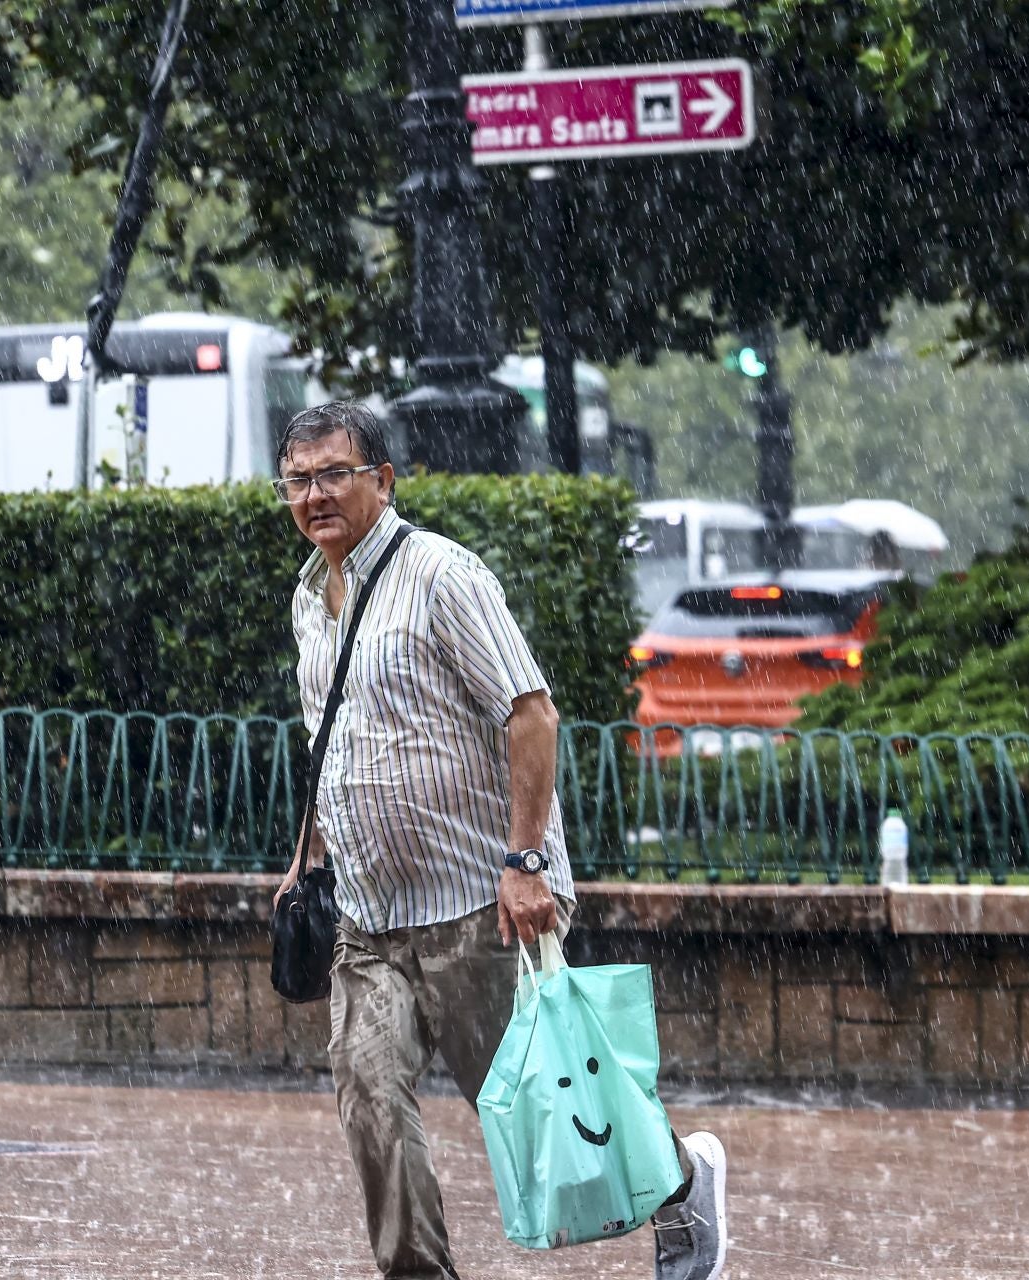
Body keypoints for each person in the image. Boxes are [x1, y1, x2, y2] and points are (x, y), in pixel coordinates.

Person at [273, 402, 729, 1280]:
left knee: (551, 1107)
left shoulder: (443, 576)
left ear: (383, 480)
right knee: (368, 1093)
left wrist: (525, 862)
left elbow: (531, 714)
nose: (317, 493)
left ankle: (681, 1180)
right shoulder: (307, 596)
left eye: (336, 473)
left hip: (479, 906)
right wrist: (310, 854)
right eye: (299, 479)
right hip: (369, 917)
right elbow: (333, 740)